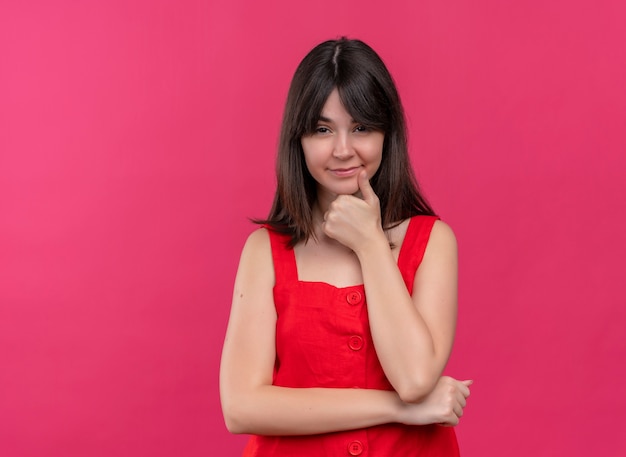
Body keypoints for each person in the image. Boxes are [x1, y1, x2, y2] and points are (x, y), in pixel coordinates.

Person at [220, 37, 472, 456]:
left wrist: (371, 245)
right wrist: (402, 410)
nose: (342, 150)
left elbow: (414, 378)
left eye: (361, 128)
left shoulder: (431, 241)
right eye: (322, 129)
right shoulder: (265, 251)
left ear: (387, 134)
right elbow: (241, 407)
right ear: (297, 140)